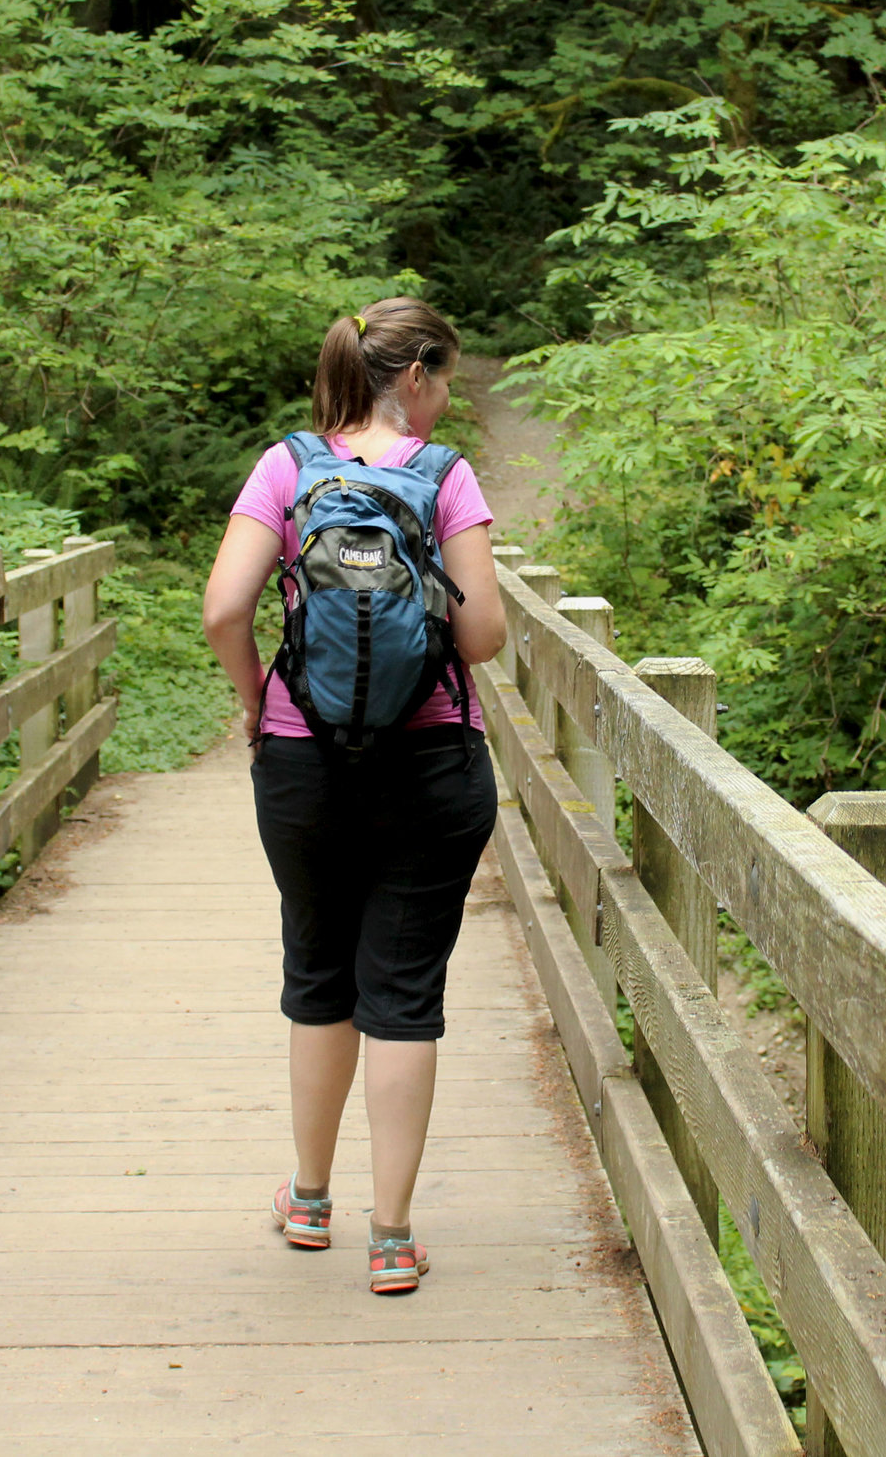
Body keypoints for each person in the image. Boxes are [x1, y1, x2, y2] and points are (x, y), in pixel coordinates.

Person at [200, 297, 505, 1296]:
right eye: (447, 377)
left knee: (317, 967)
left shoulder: (287, 466)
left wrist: (259, 700)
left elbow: (223, 607)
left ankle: (309, 1199)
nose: (446, 396)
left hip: (303, 760)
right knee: (404, 993)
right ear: (414, 375)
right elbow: (484, 636)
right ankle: (390, 1234)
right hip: (431, 762)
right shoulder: (444, 474)